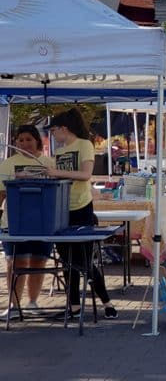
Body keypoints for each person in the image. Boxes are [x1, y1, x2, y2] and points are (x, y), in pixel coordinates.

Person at [45, 109, 117, 320]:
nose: (53, 136)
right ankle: (74, 306)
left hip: (82, 208)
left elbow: (86, 175)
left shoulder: (85, 145)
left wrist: (56, 173)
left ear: (63, 129)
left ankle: (107, 302)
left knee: (84, 262)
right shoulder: (58, 152)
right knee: (67, 262)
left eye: (54, 131)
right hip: (61, 209)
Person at [0, 125, 56, 319]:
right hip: (14, 222)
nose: (24, 143)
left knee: (39, 261)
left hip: (43, 221)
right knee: (15, 262)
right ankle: (14, 306)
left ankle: (33, 302)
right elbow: (1, 193)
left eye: (28, 139)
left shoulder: (48, 162)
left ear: (37, 140)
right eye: (20, 140)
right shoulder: (7, 164)